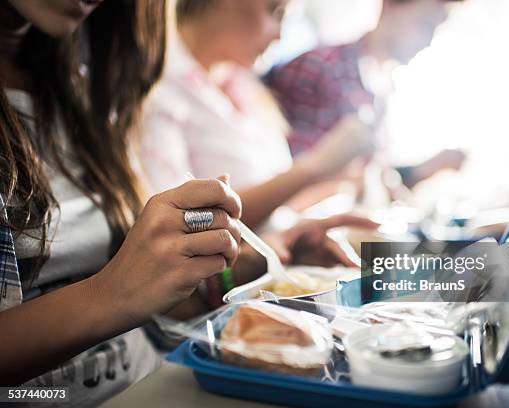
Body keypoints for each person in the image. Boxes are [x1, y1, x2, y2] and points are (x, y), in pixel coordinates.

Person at [0, 1, 376, 404]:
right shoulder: (160, 95)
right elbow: (119, 294)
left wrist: (242, 264)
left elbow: (156, 306)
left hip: (161, 377)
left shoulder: (81, 90)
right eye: (273, 11)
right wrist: (112, 293)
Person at [140, 0, 377, 229]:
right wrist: (315, 166)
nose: (280, 36)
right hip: (230, 270)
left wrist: (338, 185)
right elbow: (178, 224)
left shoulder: (243, 85)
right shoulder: (158, 91)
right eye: (274, 11)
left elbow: (275, 215)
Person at [266, 0, 466, 188]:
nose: (428, 41)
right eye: (424, 25)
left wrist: (421, 171)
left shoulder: (383, 91)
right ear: (389, 6)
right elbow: (290, 180)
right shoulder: (321, 67)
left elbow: (368, 180)